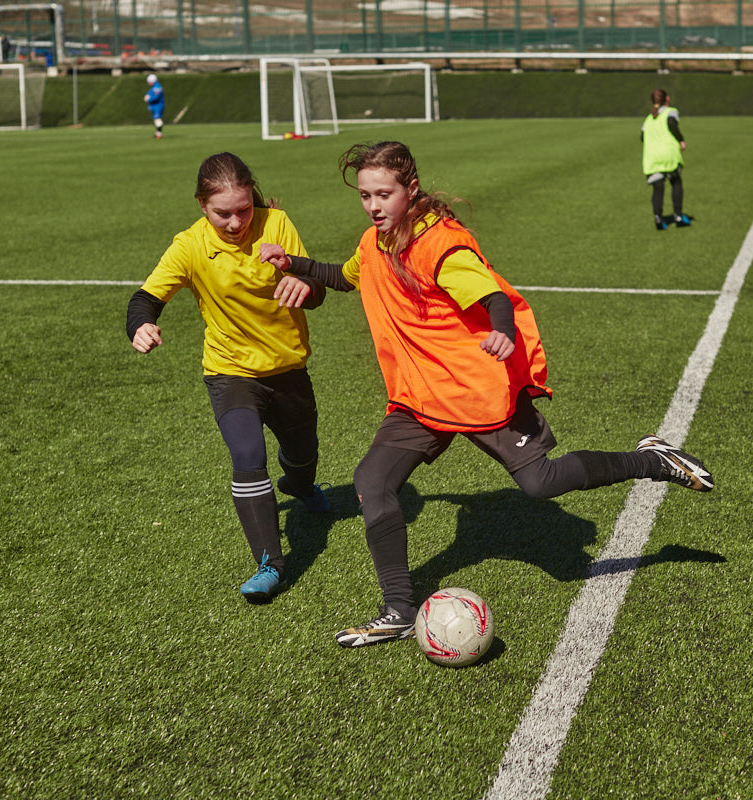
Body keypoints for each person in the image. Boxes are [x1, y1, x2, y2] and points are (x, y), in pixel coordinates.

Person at [260, 141, 715, 648]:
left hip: (477, 388)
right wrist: (292, 263)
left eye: (383, 194)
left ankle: (651, 460)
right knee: (373, 481)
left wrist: (502, 330)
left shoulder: (442, 246)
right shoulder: (375, 244)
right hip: (422, 397)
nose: (373, 206)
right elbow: (344, 278)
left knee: (541, 484)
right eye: (365, 196)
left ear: (410, 190)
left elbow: (492, 295)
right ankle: (398, 610)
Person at [126, 152, 330, 604]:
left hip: (288, 368)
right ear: (202, 205)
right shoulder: (189, 245)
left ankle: (298, 486)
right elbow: (146, 297)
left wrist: (305, 287)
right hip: (230, 371)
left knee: (301, 455)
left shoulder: (276, 222)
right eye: (223, 213)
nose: (237, 222)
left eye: (243, 210)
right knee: (247, 454)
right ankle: (270, 564)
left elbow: (312, 286)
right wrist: (139, 325)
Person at [641, 88, 690, 231]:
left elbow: (642, 137)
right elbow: (672, 124)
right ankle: (678, 215)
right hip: (669, 155)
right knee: (676, 182)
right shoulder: (671, 112)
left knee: (658, 188)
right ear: (666, 99)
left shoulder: (648, 119)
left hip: (652, 158)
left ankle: (658, 218)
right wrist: (681, 140)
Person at [144, 74, 165, 139]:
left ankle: (159, 134)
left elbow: (156, 96)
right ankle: (157, 133)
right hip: (154, 105)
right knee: (156, 119)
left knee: (157, 119)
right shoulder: (154, 87)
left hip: (158, 106)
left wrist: (148, 99)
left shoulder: (157, 87)